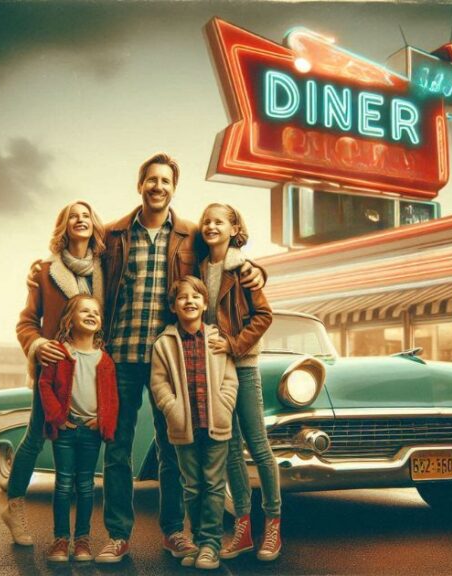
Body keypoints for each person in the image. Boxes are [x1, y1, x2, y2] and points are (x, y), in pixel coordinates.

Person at [28, 153, 265, 563]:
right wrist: (41, 268)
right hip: (118, 356)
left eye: (166, 181)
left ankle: (174, 532)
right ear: (141, 185)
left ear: (174, 188)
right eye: (151, 180)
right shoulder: (114, 233)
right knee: (118, 450)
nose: (158, 187)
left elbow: (224, 255)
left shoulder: (190, 235)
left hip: (167, 357)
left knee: (172, 447)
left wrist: (256, 269)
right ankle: (118, 536)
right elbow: (75, 253)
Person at [5, 200, 105, 546]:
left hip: (92, 365)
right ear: (63, 226)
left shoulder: (104, 268)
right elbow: (26, 321)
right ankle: (15, 507)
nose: (80, 220)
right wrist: (37, 345)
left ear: (94, 224)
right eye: (72, 216)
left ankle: (80, 537)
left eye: (86, 215)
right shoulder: (45, 270)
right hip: (56, 367)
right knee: (35, 436)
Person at [194, 203, 282, 561]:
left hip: (242, 364)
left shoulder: (242, 268)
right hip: (215, 369)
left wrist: (233, 345)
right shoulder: (200, 267)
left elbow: (264, 315)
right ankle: (243, 529)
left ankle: (273, 525)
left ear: (234, 228)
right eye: (206, 221)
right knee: (229, 448)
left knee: (258, 445)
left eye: (219, 221)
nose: (210, 226)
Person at [149, 276, 238, 570]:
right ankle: (199, 542)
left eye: (196, 296)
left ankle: (211, 545)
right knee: (192, 486)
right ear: (173, 307)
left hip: (216, 423)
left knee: (213, 484)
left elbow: (230, 380)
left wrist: (224, 406)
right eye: (182, 297)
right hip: (183, 427)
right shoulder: (164, 343)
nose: (189, 301)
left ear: (204, 303)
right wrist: (172, 408)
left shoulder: (216, 338)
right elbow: (158, 383)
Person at [36, 294, 119, 563]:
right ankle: (60, 540)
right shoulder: (59, 353)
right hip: (66, 430)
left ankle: (82, 540)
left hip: (91, 432)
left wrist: (104, 421)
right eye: (84, 310)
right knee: (63, 485)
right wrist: (57, 418)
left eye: (96, 311)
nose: (91, 314)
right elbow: (44, 385)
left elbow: (112, 397)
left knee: (85, 486)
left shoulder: (104, 360)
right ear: (70, 320)